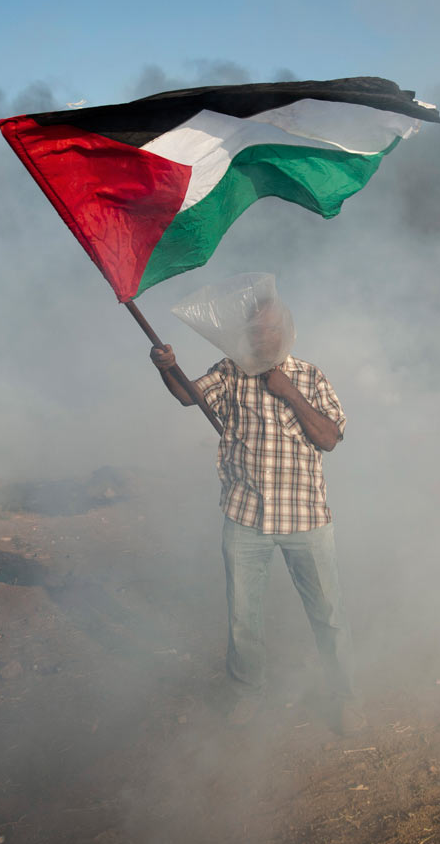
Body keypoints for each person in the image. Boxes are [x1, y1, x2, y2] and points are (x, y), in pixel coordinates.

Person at [149, 302, 365, 735]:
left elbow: (329, 438)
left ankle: (345, 698)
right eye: (255, 330)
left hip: (305, 518)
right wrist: (167, 368)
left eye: (271, 330)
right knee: (243, 617)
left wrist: (289, 392)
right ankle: (247, 691)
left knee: (328, 614)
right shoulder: (231, 371)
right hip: (245, 517)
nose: (263, 337)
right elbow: (189, 396)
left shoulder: (309, 376)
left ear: (285, 332)